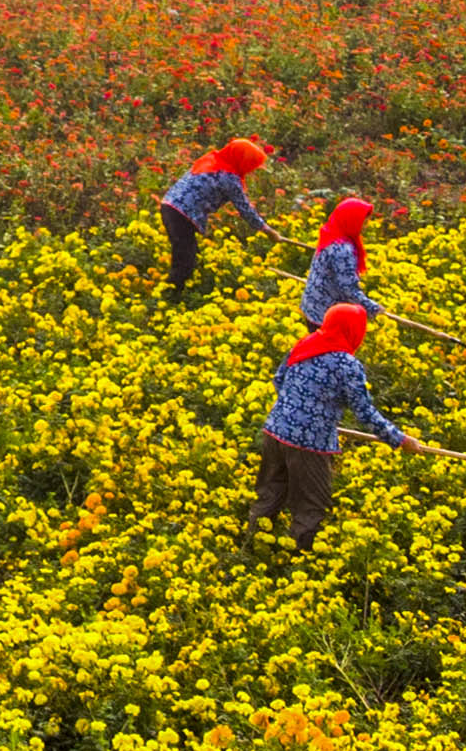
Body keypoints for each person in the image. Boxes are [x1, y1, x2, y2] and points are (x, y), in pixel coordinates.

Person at [248, 301, 426, 551]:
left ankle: (252, 548)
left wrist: (297, 408)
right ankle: (297, 560)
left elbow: (279, 379)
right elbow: (365, 413)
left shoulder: (304, 344)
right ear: (353, 331)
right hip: (308, 444)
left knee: (269, 493)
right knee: (311, 506)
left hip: (275, 430)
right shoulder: (346, 365)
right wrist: (400, 440)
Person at [158, 138, 278, 289]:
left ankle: (184, 289)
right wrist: (267, 230)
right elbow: (245, 209)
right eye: (251, 164)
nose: (252, 169)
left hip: (170, 206)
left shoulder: (213, 160)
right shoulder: (229, 177)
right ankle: (171, 294)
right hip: (182, 214)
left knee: (189, 253)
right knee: (184, 261)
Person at [298, 197, 381, 328]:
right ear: (351, 220)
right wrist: (372, 308)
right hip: (325, 315)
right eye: (363, 222)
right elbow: (348, 288)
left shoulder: (331, 233)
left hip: (312, 305)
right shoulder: (342, 249)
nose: (366, 226)